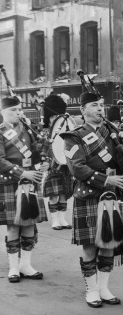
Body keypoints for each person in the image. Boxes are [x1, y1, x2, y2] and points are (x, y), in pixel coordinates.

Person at [60, 90, 123, 307]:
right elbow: (77, 169)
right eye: (94, 105)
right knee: (90, 246)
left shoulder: (113, 132)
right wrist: (106, 180)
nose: (100, 109)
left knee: (109, 243)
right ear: (83, 110)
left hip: (110, 197)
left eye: (101, 105)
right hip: (90, 196)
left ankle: (103, 288)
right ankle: (91, 290)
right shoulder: (74, 137)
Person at [1, 96, 48, 283]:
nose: (18, 113)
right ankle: (13, 267)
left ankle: (25, 265)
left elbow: (36, 152)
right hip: (11, 181)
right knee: (13, 226)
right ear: (3, 112)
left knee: (28, 223)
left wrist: (43, 162)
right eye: (13, 110)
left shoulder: (28, 130)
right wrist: (22, 173)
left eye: (19, 110)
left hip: (30, 180)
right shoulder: (1, 131)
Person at [41, 94, 73, 230]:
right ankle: (55, 220)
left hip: (65, 164)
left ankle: (62, 219)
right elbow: (43, 148)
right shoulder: (45, 132)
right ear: (50, 117)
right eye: (53, 117)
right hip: (53, 166)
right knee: (54, 194)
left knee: (63, 194)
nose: (55, 119)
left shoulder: (66, 126)